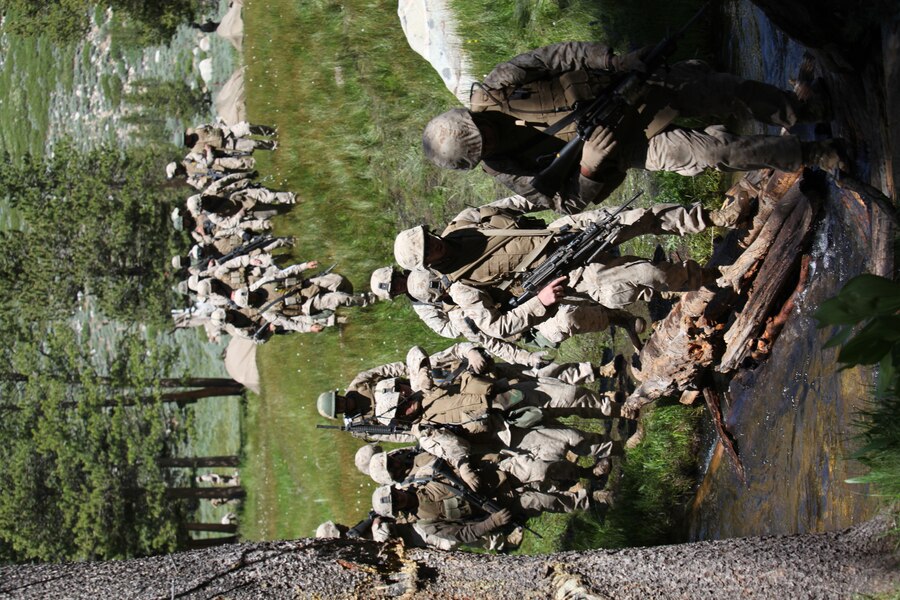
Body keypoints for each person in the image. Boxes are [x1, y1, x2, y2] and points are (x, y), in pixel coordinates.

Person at [422, 41, 843, 214]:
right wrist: (588, 168)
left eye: (478, 127)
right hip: (630, 146)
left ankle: (802, 111)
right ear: (477, 160)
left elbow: (559, 56)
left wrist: (614, 60)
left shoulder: (497, 86)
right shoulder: (508, 169)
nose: (488, 134)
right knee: (718, 153)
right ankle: (809, 154)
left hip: (631, 89)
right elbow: (566, 204)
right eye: (482, 143)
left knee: (725, 90)